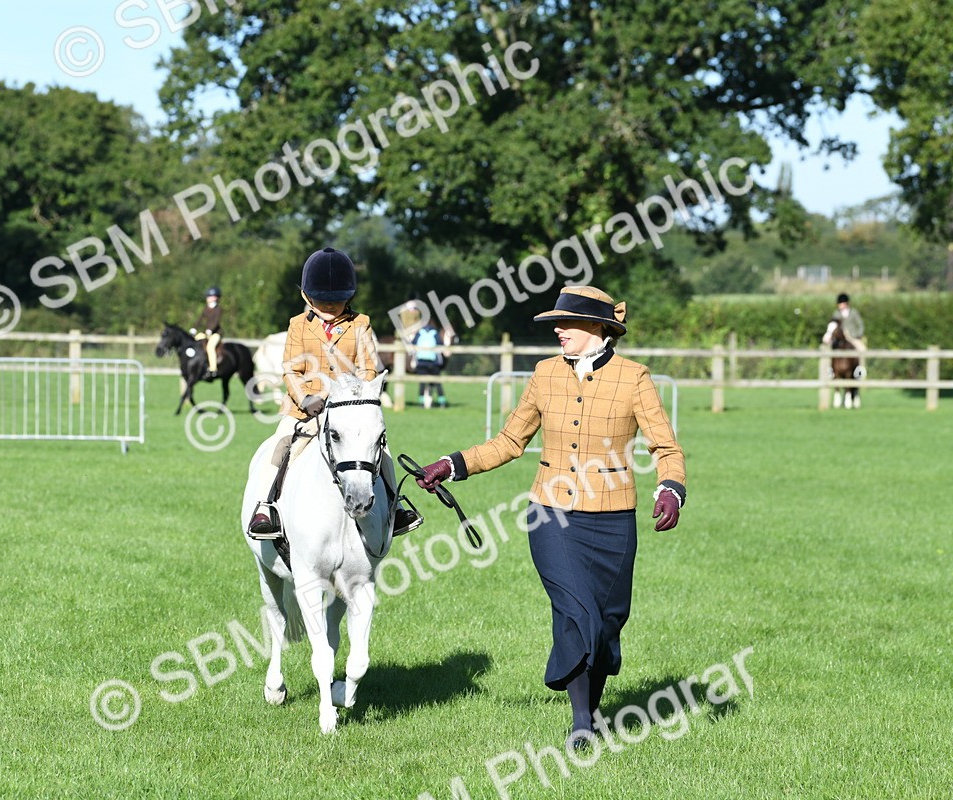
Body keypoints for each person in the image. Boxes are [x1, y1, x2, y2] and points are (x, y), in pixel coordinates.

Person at [412, 285, 686, 750]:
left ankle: (592, 706)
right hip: (551, 515)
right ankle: (582, 720)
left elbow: (666, 446)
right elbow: (508, 442)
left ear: (599, 328)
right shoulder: (543, 375)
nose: (557, 330)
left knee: (607, 619)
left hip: (614, 518)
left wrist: (671, 488)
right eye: (556, 323)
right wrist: (453, 464)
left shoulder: (634, 377)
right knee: (575, 609)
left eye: (567, 323)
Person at [246, 247, 422, 540]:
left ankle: (397, 506)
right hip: (304, 411)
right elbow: (291, 370)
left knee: (383, 452)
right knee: (279, 447)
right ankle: (266, 508)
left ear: (349, 297)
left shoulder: (360, 324)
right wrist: (305, 398)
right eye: (323, 301)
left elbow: (368, 369)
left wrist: (356, 397)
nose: (330, 306)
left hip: (348, 411)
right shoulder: (297, 326)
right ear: (307, 296)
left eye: (337, 301)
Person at [410, 321, 446, 408]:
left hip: (421, 362)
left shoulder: (419, 333)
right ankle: (442, 402)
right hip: (434, 363)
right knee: (437, 383)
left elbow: (413, 343)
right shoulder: (435, 333)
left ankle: (421, 403)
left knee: (422, 383)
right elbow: (440, 344)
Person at [832, 292, 867, 378]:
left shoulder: (853, 312)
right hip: (840, 337)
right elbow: (832, 325)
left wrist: (857, 335)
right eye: (840, 303)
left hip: (852, 337)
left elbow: (860, 325)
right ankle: (831, 370)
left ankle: (860, 370)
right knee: (828, 349)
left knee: (862, 349)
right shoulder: (836, 313)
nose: (841, 305)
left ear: (846, 304)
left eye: (842, 303)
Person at [190, 287, 223, 378]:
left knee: (210, 347)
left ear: (215, 297)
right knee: (194, 341)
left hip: (216, 334)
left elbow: (216, 321)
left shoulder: (218, 309)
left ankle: (213, 369)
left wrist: (211, 330)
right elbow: (199, 320)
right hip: (206, 333)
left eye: (209, 296)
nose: (207, 298)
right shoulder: (206, 309)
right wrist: (194, 328)